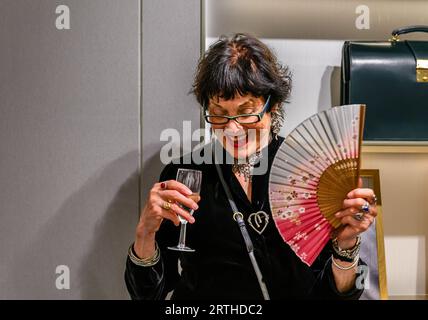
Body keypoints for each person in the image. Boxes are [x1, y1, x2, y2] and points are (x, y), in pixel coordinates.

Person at [124, 33, 377, 300]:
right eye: (219, 114)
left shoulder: (312, 171)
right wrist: (145, 232)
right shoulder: (184, 175)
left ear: (273, 104)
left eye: (246, 112)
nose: (233, 128)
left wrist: (346, 246)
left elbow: (336, 296)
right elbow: (147, 294)